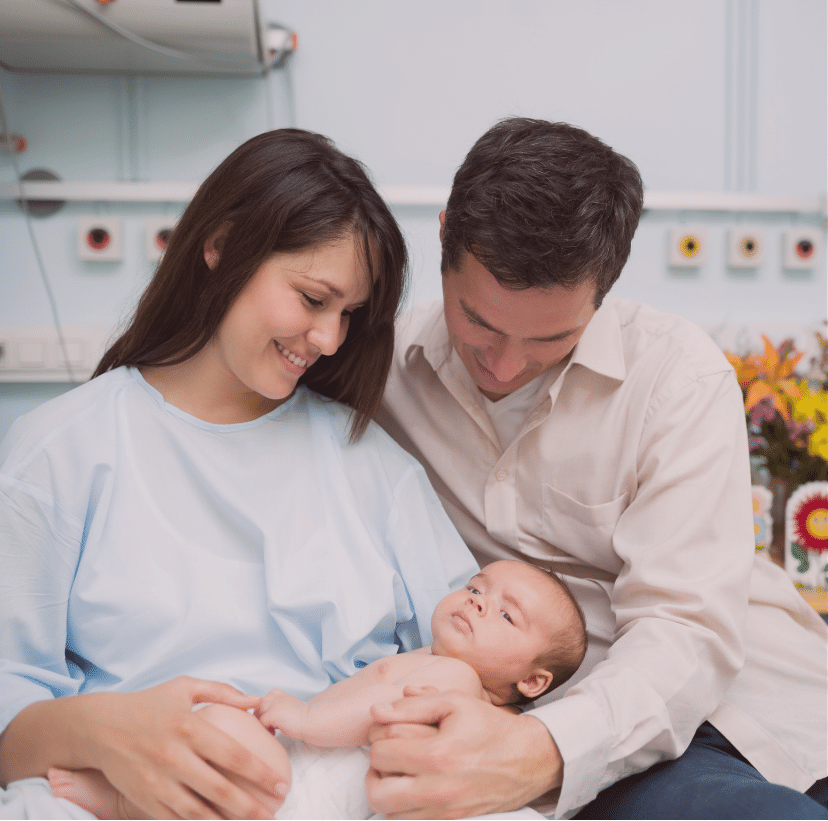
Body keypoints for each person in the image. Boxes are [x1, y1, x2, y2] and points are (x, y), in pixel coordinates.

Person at [0, 128, 480, 820]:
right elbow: (9, 709)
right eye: (314, 299)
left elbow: (470, 656)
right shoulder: (62, 451)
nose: (329, 339)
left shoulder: (372, 466)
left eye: (350, 315)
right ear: (221, 244)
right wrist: (107, 732)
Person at [373, 118, 828, 819]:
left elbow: (683, 629)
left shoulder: (677, 377)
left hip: (736, 706)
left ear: (604, 289)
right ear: (442, 237)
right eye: (479, 322)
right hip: (551, 713)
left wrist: (536, 751)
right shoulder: (382, 370)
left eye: (549, 338)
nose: (502, 364)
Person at [45, 559, 588, 819]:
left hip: (305, 791)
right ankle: (124, 800)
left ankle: (119, 801)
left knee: (222, 732)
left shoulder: (456, 682)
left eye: (505, 615)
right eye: (476, 587)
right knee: (213, 748)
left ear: (532, 681)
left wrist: (304, 719)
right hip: (308, 781)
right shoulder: (433, 661)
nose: (476, 602)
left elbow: (382, 717)